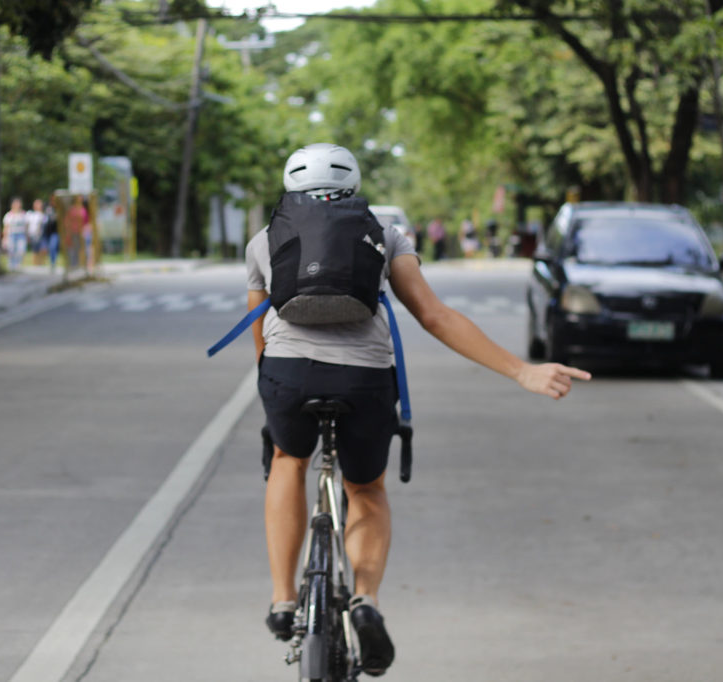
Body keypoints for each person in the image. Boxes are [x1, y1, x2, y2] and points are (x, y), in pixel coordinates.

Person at [246, 143, 590, 676]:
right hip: (365, 382)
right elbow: (433, 316)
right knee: (365, 488)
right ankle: (365, 601)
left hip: (289, 377)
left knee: (289, 461)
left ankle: (284, 599)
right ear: (353, 185)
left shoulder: (264, 241)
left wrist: (277, 389)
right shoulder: (384, 236)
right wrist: (523, 371)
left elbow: (259, 333)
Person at [2, 198, 28, 271]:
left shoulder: (23, 214)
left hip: (21, 234)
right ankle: (11, 264)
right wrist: (4, 237)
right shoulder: (8, 215)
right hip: (11, 234)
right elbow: (6, 227)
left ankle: (17, 264)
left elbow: (26, 226)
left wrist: (27, 236)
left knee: (21, 250)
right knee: (11, 250)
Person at [25, 198, 46, 265]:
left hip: (42, 235)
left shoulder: (43, 215)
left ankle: (41, 263)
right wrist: (27, 234)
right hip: (33, 234)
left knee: (42, 249)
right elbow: (27, 225)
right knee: (35, 250)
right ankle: (35, 264)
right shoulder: (30, 214)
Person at [42, 195, 60, 272]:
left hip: (55, 231)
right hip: (47, 231)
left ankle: (53, 262)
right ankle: (51, 262)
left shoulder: (59, 209)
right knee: (49, 248)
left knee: (53, 246)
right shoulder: (48, 208)